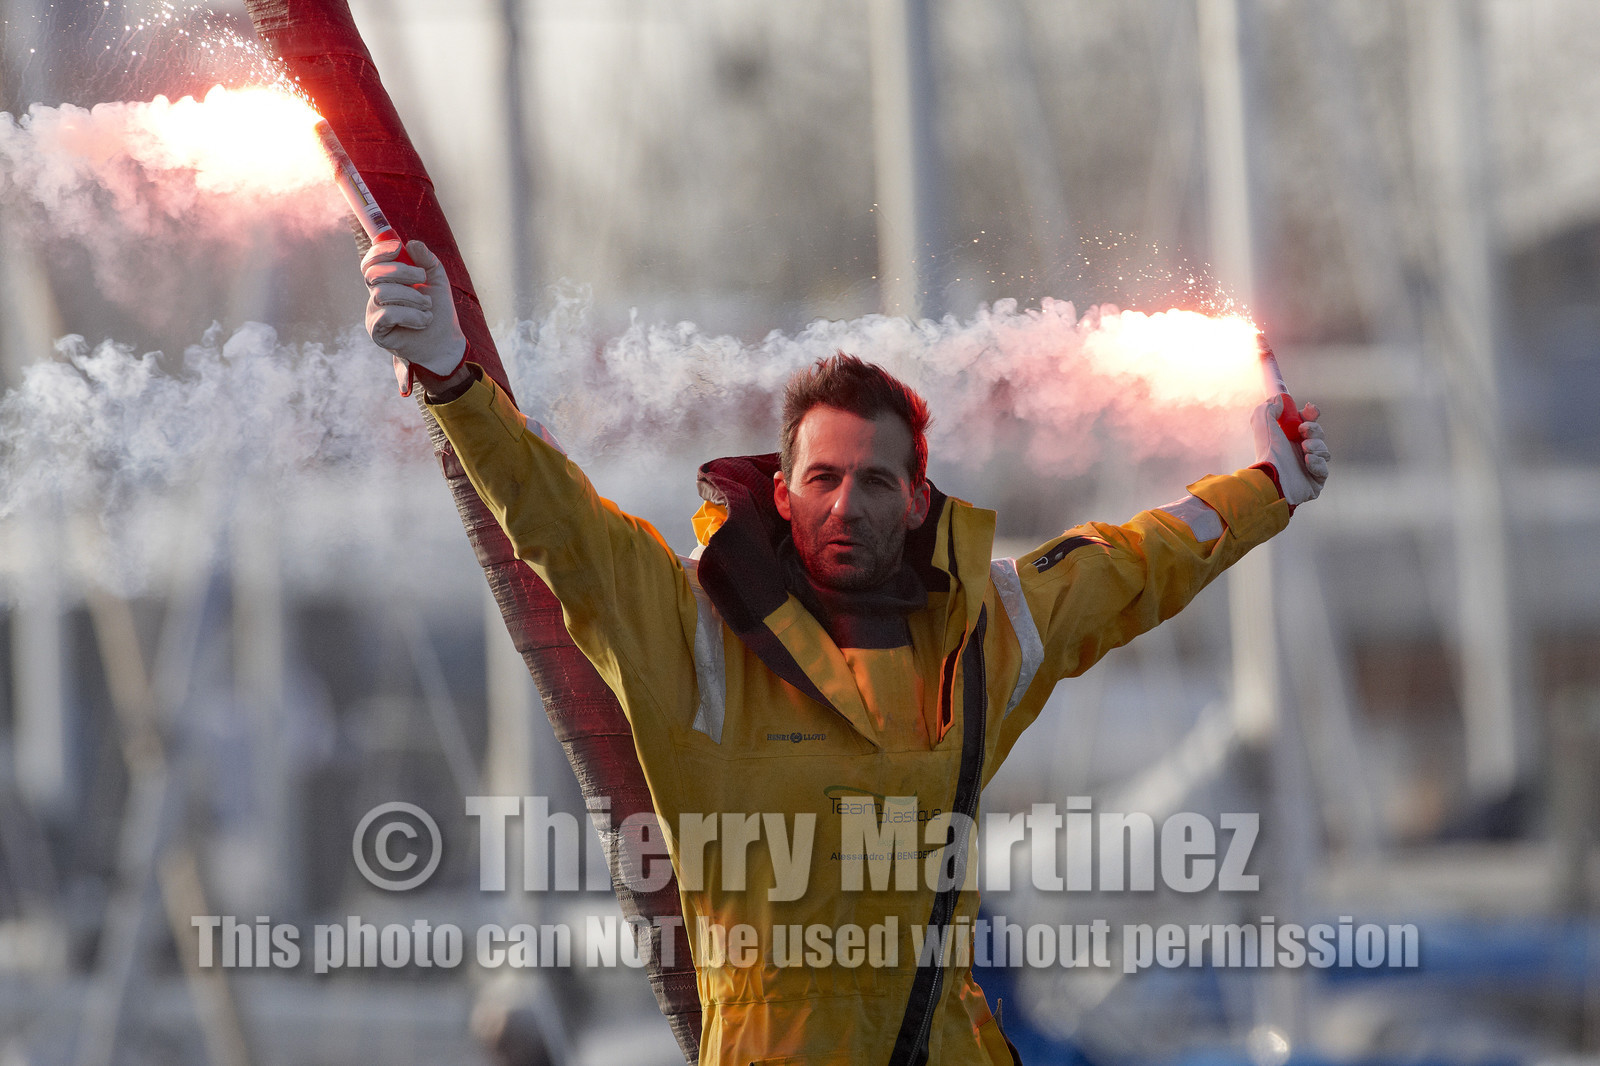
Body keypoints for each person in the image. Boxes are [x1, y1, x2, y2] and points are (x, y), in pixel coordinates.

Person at [361, 239, 1331, 1066]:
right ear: (780, 493)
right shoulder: (693, 627)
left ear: (916, 499)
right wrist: (452, 380)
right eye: (820, 477)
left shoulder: (983, 629)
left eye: (873, 480)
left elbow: (1135, 565)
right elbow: (557, 523)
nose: (843, 503)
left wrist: (1269, 486)